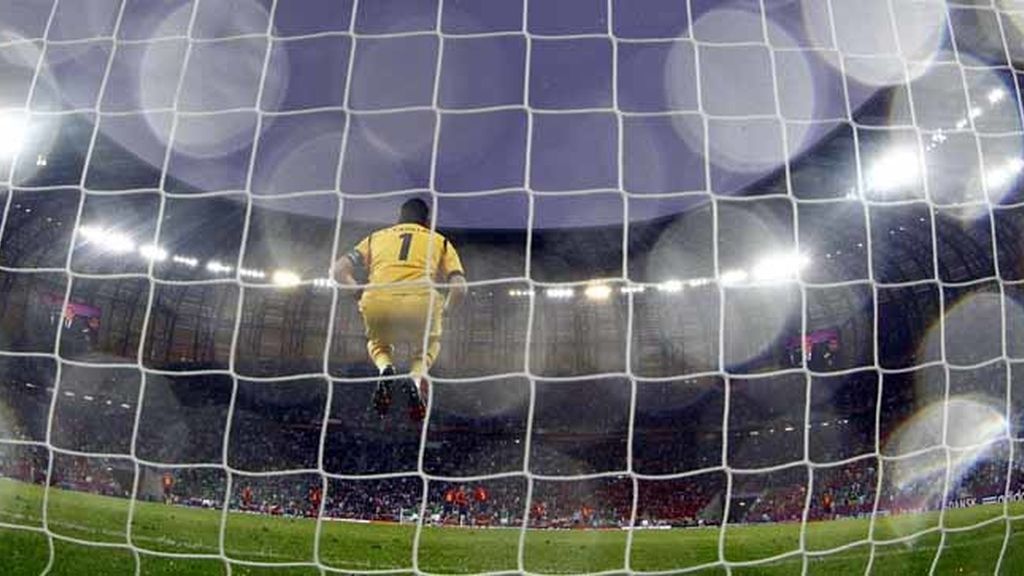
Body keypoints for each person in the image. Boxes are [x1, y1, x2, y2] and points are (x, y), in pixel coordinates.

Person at [333, 198, 467, 421]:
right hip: (421, 304)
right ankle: (416, 378)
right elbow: (460, 288)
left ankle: (385, 368)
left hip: (378, 301)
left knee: (378, 343)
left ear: (399, 217)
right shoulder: (440, 241)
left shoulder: (375, 237)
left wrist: (358, 292)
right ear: (427, 220)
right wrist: (446, 311)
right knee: (428, 345)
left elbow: (338, 270)